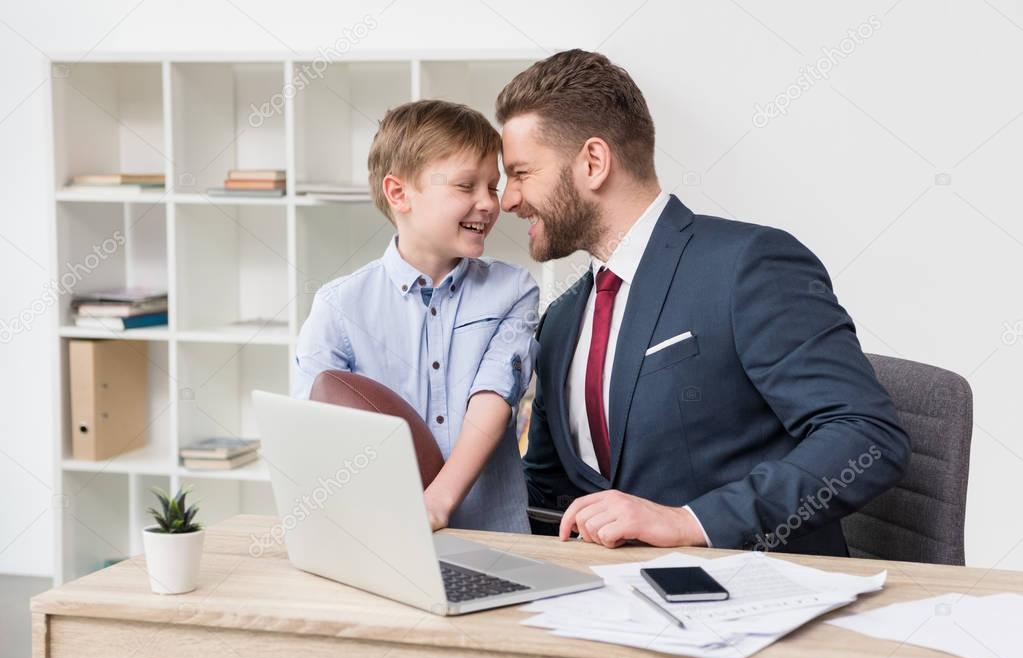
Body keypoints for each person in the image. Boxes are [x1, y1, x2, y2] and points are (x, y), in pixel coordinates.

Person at [497, 50, 910, 554]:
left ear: (593, 162)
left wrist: (689, 522)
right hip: (612, 605)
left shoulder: (747, 264)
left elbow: (866, 436)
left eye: (520, 173)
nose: (507, 200)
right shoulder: (560, 322)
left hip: (757, 601)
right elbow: (548, 492)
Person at [294, 100, 538, 534]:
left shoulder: (514, 290)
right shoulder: (338, 307)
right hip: (381, 539)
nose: (488, 203)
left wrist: (436, 503)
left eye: (493, 187)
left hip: (496, 539)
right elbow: (312, 434)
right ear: (399, 193)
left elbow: (494, 397)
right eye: (466, 186)